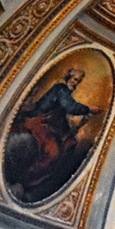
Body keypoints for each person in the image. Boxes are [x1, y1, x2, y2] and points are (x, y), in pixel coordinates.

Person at [10, 68, 103, 198]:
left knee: (66, 146)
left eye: (78, 81)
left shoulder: (64, 92)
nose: (76, 83)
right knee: (52, 154)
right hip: (40, 122)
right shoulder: (61, 89)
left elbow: (62, 115)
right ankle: (22, 182)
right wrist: (88, 109)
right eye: (75, 79)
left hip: (48, 125)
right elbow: (69, 107)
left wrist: (73, 128)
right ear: (69, 77)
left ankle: (26, 185)